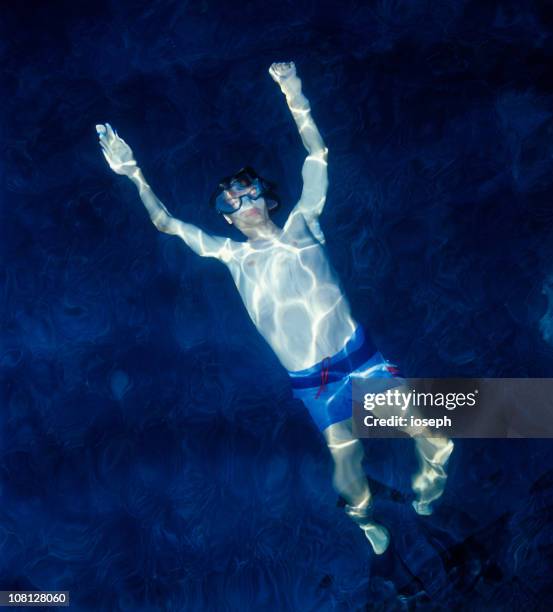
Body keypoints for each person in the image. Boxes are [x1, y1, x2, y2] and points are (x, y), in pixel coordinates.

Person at [96, 61, 453, 555]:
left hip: (361, 356)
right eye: (227, 202)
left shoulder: (304, 222)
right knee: (349, 470)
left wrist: (293, 90)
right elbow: (168, 225)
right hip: (314, 381)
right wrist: (132, 171)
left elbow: (318, 152)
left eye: (245, 192)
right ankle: (367, 522)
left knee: (439, 438)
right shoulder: (231, 254)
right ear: (225, 217)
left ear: (264, 194)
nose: (238, 203)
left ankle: (428, 492)